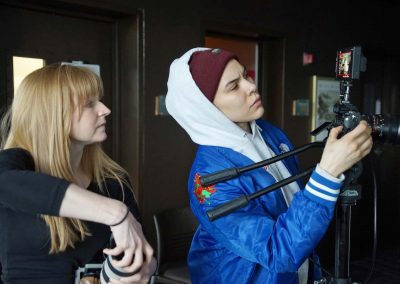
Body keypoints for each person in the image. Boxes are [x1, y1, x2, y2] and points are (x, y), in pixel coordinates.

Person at [165, 47, 373, 284]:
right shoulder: (208, 179)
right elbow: (277, 252)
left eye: (246, 75)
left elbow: (293, 204)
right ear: (206, 108)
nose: (251, 86)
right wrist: (326, 173)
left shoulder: (270, 133)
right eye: (234, 86)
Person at [0, 64, 156, 284]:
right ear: (53, 114)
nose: (105, 109)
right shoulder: (16, 166)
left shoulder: (113, 180)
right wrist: (115, 213)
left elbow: (144, 255)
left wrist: (140, 270)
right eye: (89, 104)